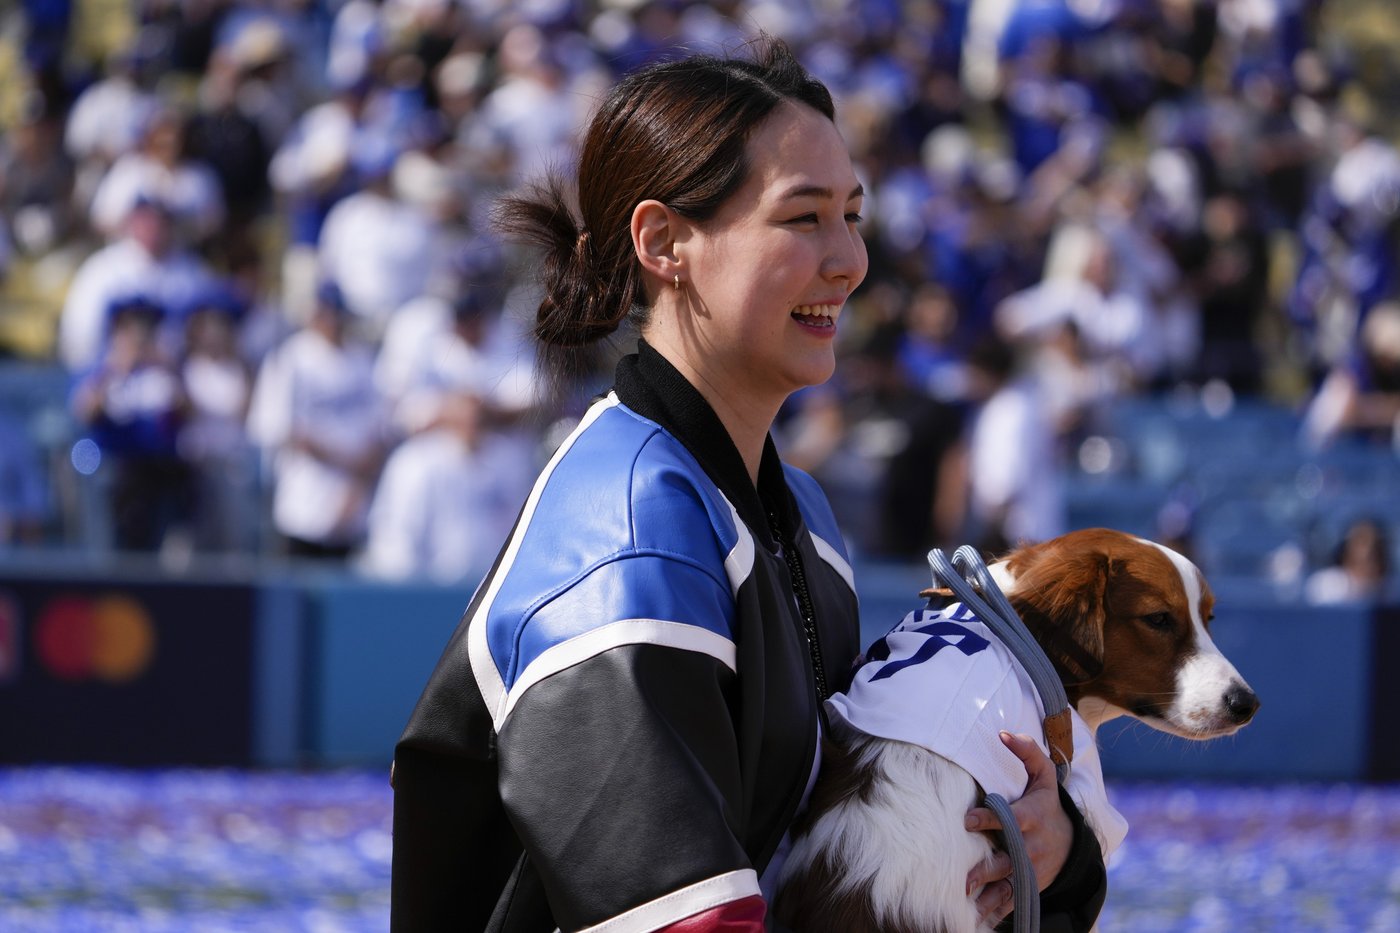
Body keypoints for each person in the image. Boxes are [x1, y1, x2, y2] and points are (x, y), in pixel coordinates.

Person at [390, 38, 1105, 933]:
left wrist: (1046, 849)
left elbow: (839, 835)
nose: (848, 260)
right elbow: (675, 916)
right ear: (664, 243)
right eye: (803, 218)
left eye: (854, 214)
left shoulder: (799, 511)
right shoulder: (625, 529)